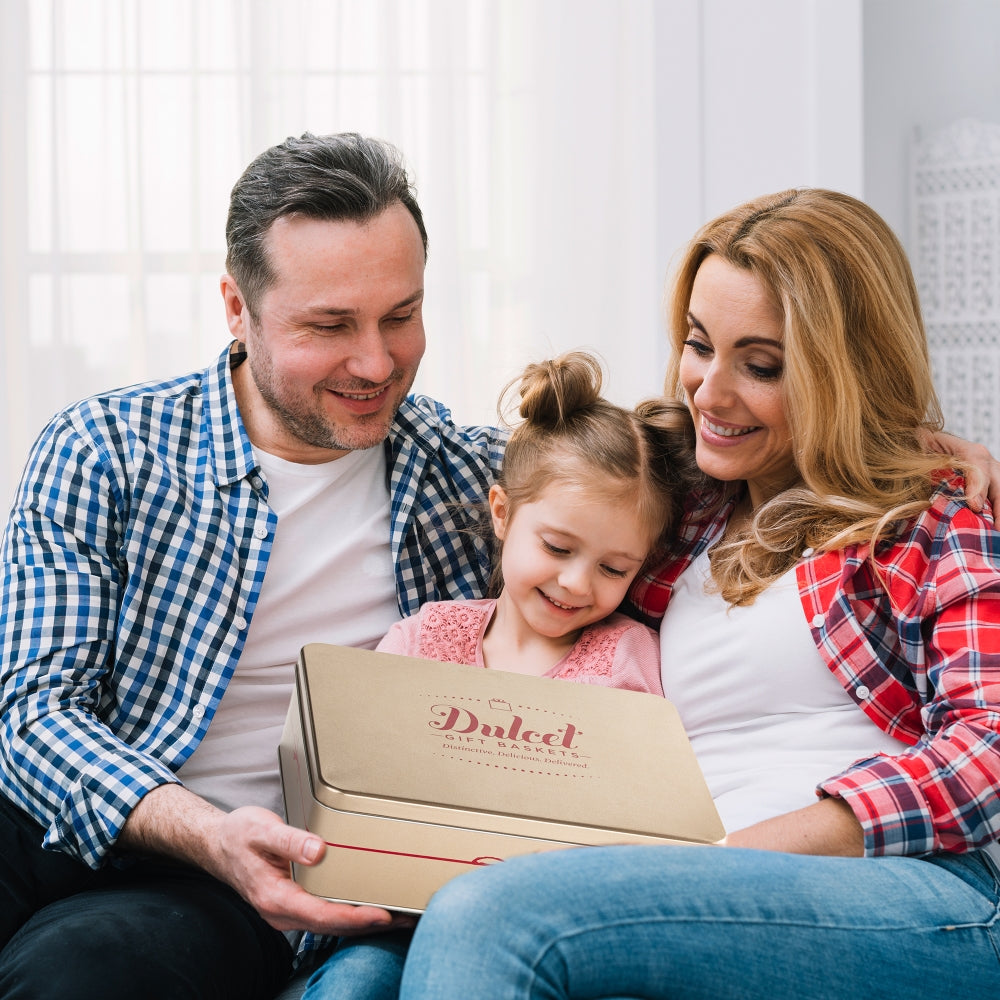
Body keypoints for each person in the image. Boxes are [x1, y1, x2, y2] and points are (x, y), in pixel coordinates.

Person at [394, 188, 1000, 1000]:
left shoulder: (929, 523)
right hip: (686, 879)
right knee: (371, 964)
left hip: (915, 893)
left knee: (493, 917)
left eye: (761, 366)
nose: (710, 392)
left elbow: (987, 748)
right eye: (697, 345)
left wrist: (733, 854)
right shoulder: (683, 502)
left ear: (844, 373)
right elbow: (549, 466)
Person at [0, 132, 506, 1000]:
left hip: (223, 886)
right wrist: (202, 827)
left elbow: (668, 486)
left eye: (401, 315)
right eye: (329, 326)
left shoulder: (478, 485)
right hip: (82, 814)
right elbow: (32, 708)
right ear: (237, 308)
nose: (378, 364)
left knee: (86, 970)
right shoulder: (105, 448)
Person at [302, 350, 698, 1000]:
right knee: (354, 986)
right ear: (503, 514)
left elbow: (648, 824)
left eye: (613, 567)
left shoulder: (630, 659)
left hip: (547, 928)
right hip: (396, 921)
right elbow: (353, 781)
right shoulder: (423, 637)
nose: (576, 582)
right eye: (559, 548)